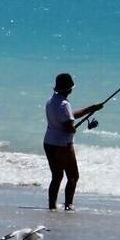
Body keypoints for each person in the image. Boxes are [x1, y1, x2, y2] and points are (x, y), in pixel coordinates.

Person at [43, 73, 104, 211]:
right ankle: (69, 206)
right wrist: (74, 130)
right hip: (63, 145)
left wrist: (90, 109)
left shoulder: (51, 101)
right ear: (69, 89)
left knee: (57, 176)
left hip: (49, 143)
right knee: (73, 176)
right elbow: (68, 127)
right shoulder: (64, 104)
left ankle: (52, 205)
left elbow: (70, 116)